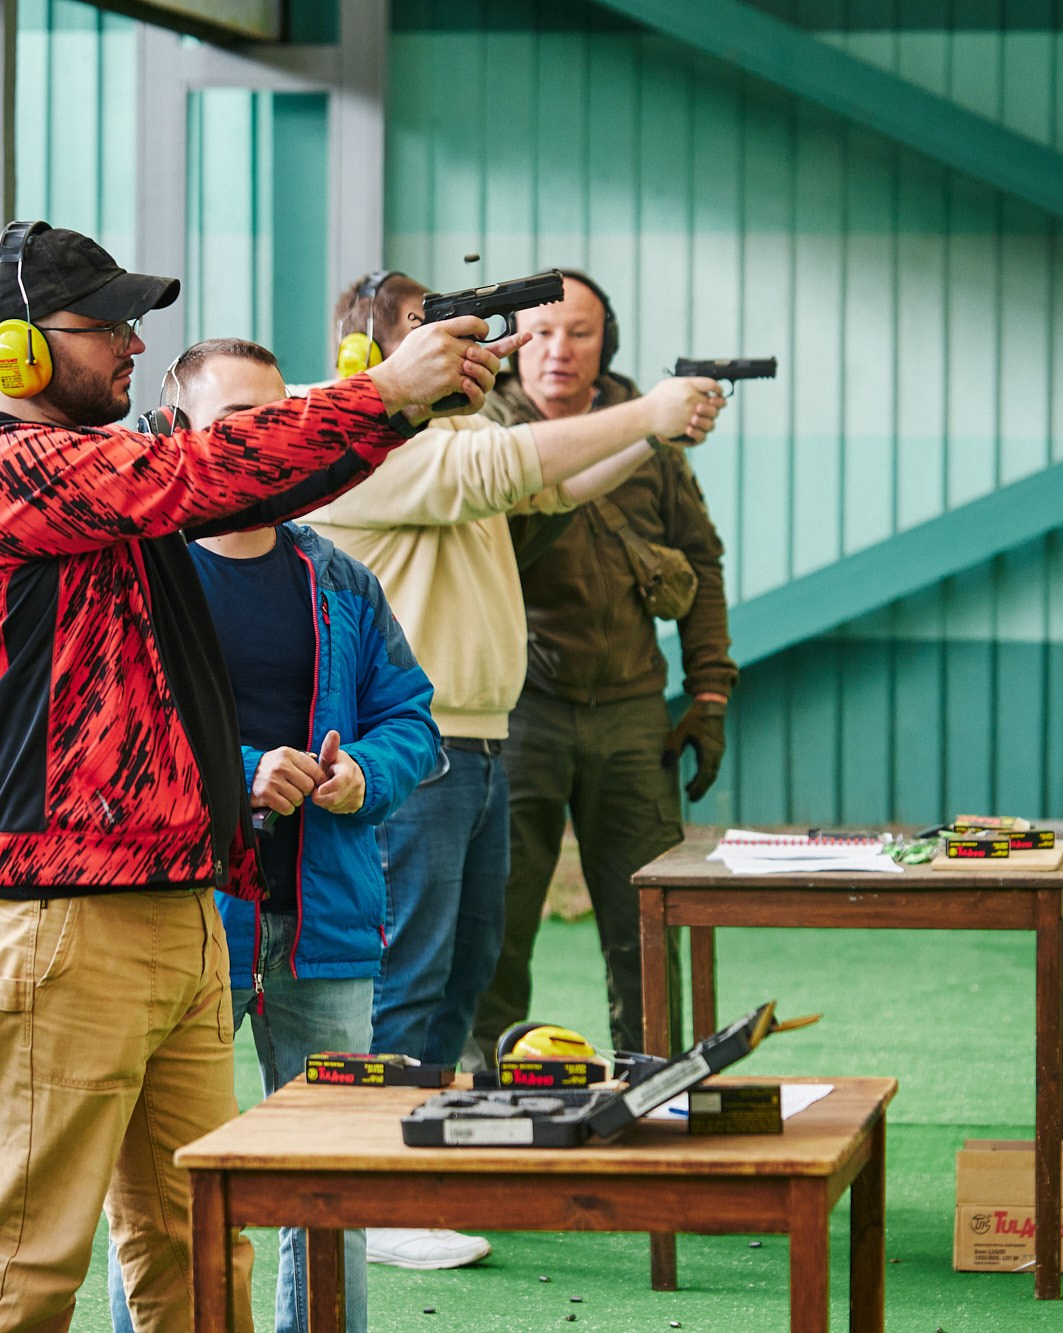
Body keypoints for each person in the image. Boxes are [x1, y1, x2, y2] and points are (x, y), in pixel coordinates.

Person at [0, 221, 512, 1333]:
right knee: (23, 1260)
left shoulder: (105, 480)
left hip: (177, 906)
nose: (134, 343)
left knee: (195, 1247)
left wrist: (406, 400)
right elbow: (205, 466)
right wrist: (382, 397)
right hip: (65, 919)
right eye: (108, 325)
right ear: (19, 351)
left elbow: (230, 482)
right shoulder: (2, 469)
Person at [303, 269, 725, 1271]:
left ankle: (425, 1174)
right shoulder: (361, 447)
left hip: (476, 737)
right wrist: (648, 409)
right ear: (371, 358)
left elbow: (544, 479)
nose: (479, 351)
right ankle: (380, 1194)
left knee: (461, 973)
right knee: (411, 978)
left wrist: (649, 430)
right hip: (419, 748)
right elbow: (510, 467)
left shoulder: (444, 440)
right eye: (439, 335)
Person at [470, 270, 738, 1063]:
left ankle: (656, 1080)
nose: (558, 349)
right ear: (514, 343)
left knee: (646, 924)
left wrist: (712, 689)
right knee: (499, 919)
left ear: (605, 344)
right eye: (542, 331)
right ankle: (487, 1087)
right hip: (519, 709)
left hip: (629, 710)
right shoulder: (480, 435)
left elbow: (702, 562)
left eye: (579, 332)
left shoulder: (649, 437)